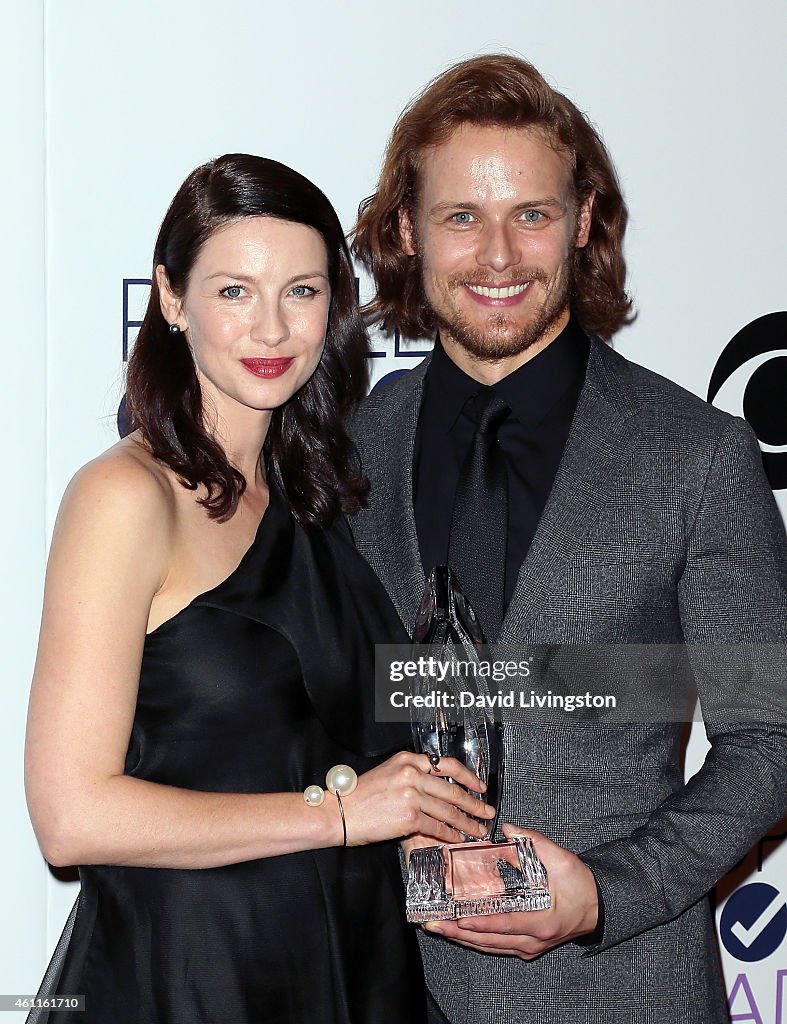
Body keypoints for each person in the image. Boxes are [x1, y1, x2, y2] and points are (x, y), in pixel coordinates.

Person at [350, 55, 787, 1024]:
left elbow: (770, 733)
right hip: (371, 983)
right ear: (406, 230)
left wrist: (605, 891)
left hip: (617, 991)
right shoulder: (351, 449)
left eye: (531, 214)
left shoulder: (696, 455)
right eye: (461, 215)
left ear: (584, 221)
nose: (497, 254)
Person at [24, 153, 496, 1024]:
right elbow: (71, 815)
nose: (273, 329)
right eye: (235, 291)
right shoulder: (124, 497)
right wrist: (340, 816)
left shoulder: (316, 500)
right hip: (196, 971)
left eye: (303, 291)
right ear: (170, 299)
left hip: (348, 960)